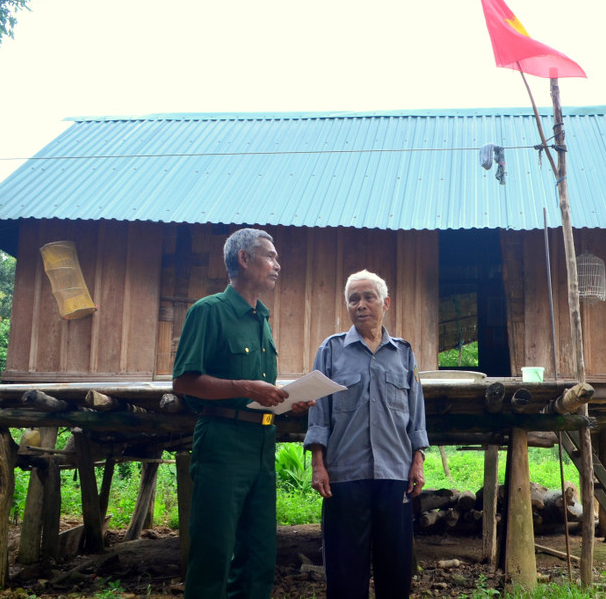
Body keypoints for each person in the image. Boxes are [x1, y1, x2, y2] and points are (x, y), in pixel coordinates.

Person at [172, 227, 312, 599]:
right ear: (244, 259)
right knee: (214, 551)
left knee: (258, 552)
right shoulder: (208, 311)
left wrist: (287, 402)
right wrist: (245, 387)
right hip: (222, 442)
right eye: (270, 256)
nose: (277, 265)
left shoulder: (261, 319)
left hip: (263, 441)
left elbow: (259, 392)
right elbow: (184, 382)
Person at [305, 269, 429, 599]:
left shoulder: (403, 353)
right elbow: (318, 412)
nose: (360, 305)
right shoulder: (330, 351)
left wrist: (418, 461)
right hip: (344, 474)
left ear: (385, 303)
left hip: (395, 472)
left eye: (368, 297)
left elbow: (416, 413)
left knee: (395, 565)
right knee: (345, 568)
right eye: (353, 299)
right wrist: (318, 464)